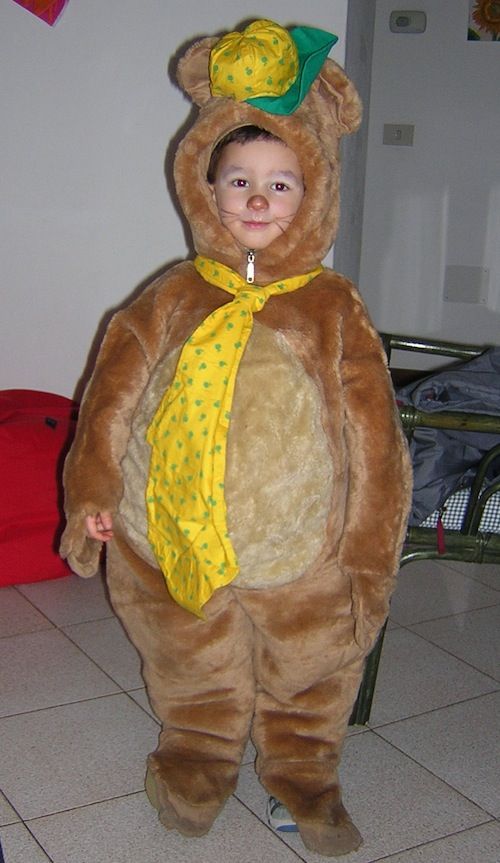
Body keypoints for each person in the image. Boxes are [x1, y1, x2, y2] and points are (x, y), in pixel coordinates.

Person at [61, 19, 412, 857]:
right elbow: (106, 402)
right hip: (167, 535)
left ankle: (302, 769)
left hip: (305, 551)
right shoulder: (169, 297)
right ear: (203, 187)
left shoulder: (332, 308)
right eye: (240, 180)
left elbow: (376, 439)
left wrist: (368, 553)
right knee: (188, 662)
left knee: (309, 671)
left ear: (315, 190)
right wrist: (94, 494)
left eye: (283, 184)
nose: (258, 200)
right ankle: (197, 751)